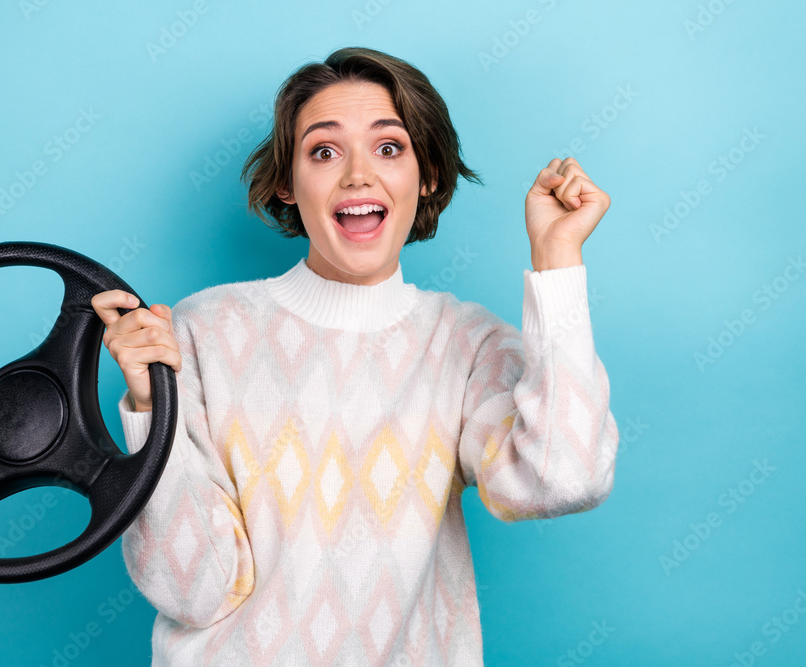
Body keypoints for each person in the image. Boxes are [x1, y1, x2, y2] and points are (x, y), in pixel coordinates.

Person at [90, 46, 617, 666]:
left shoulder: (467, 343)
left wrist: (557, 263)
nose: (358, 175)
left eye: (389, 148)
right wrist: (152, 410)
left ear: (430, 177)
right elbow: (193, 590)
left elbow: (561, 479)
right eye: (324, 151)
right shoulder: (202, 330)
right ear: (287, 182)